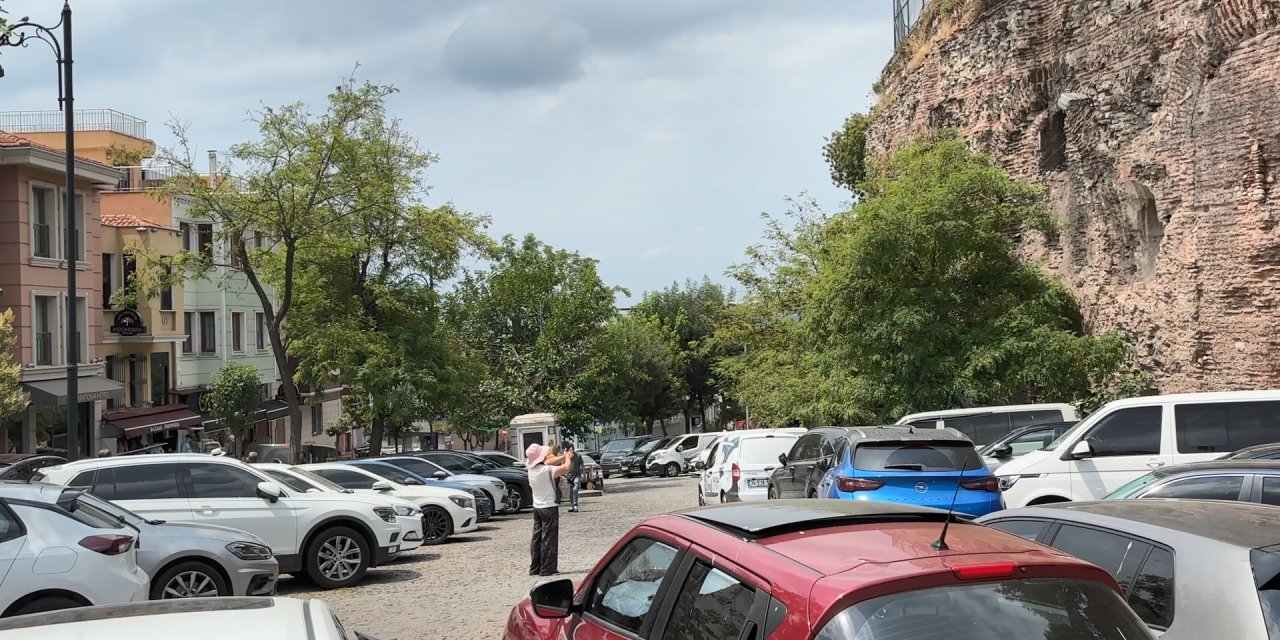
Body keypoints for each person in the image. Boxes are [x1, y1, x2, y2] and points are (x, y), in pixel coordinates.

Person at [526, 442, 573, 576]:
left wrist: (563, 456)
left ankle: (535, 567)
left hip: (537, 507)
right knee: (549, 538)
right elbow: (566, 468)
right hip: (549, 506)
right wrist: (568, 457)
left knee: (537, 537)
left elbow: (550, 461)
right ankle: (547, 568)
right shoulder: (545, 470)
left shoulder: (531, 469)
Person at [565, 443, 583, 512]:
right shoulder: (566, 456)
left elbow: (582, 465)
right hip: (569, 476)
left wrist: (583, 474)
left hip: (577, 475)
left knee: (575, 489)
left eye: (572, 449)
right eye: (570, 449)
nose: (572, 451)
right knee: (570, 491)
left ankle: (575, 505)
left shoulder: (578, 455)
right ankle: (572, 505)